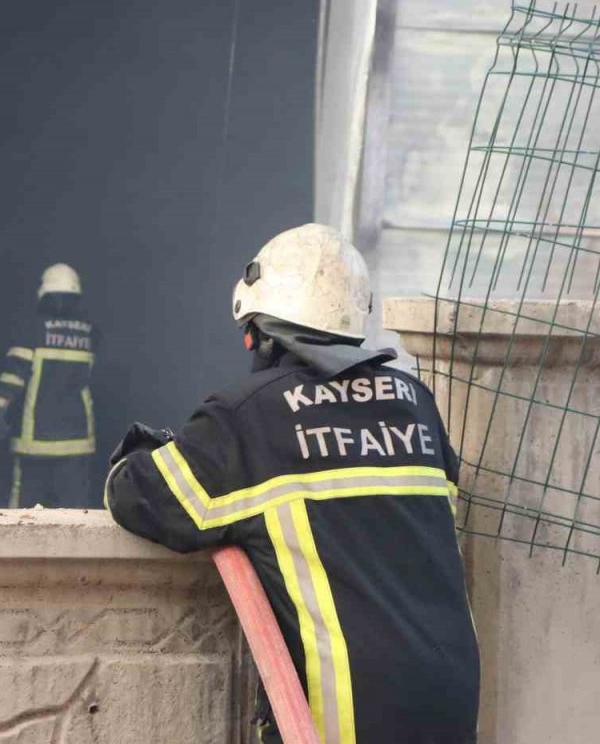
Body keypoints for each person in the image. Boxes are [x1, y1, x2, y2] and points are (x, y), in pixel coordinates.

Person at [105, 224, 479, 744]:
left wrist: (148, 447)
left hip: (347, 718)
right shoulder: (415, 402)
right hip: (451, 702)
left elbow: (139, 496)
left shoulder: (248, 414)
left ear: (258, 332)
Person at [0, 264, 98, 508]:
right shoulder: (89, 333)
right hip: (77, 439)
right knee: (76, 510)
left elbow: (14, 376)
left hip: (35, 440)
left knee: (25, 510)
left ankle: (20, 548)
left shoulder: (33, 328)